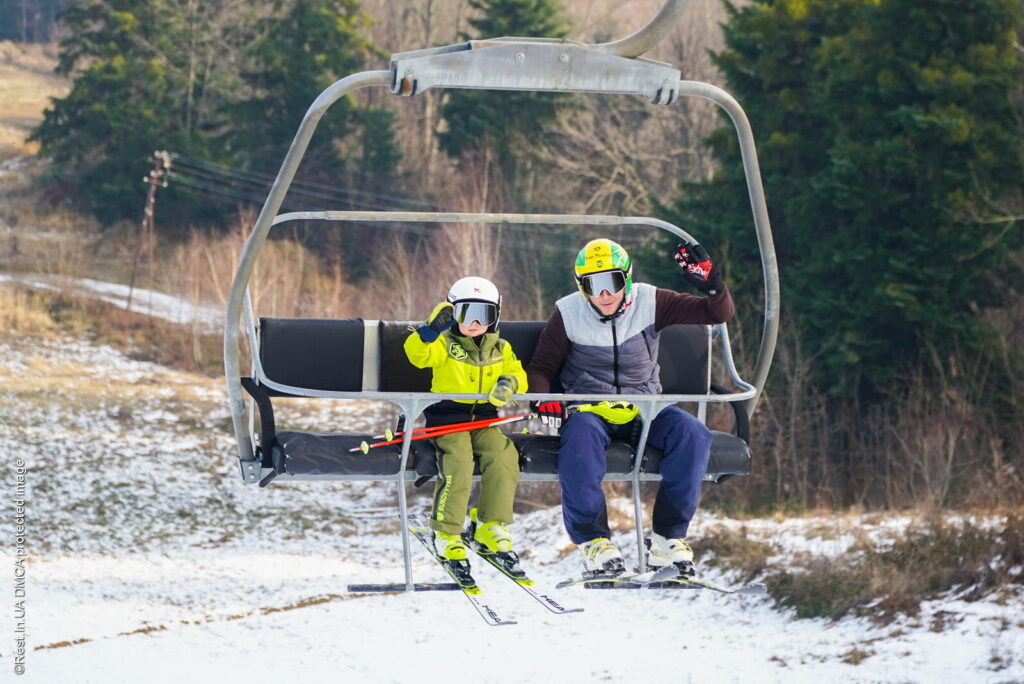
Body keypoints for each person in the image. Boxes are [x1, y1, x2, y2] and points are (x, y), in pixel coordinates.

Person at [526, 238, 734, 576]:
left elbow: (717, 312)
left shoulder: (651, 301)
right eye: (593, 285)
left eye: (613, 282)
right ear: (582, 287)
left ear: (628, 279)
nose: (604, 294)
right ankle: (594, 542)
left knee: (692, 433)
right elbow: (541, 367)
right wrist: (543, 398)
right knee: (579, 439)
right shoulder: (567, 313)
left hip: (645, 407)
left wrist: (711, 284)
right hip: (590, 407)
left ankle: (667, 539)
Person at [404, 276, 528, 567]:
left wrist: (509, 383)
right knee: (458, 461)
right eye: (465, 313)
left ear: (495, 317)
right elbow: (418, 356)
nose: (473, 322)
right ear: (452, 314)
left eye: (483, 315)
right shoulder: (443, 344)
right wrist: (429, 332)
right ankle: (447, 532)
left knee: (503, 455)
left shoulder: (501, 348)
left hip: (484, 420)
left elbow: (519, 373)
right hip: (447, 418)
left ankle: (489, 524)